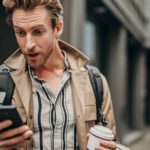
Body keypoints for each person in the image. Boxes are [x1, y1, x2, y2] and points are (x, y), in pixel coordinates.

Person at [0, 0, 117, 149]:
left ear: (58, 28)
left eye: (38, 31)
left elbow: (113, 142)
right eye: (21, 32)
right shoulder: (3, 81)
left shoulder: (94, 81)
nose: (28, 44)